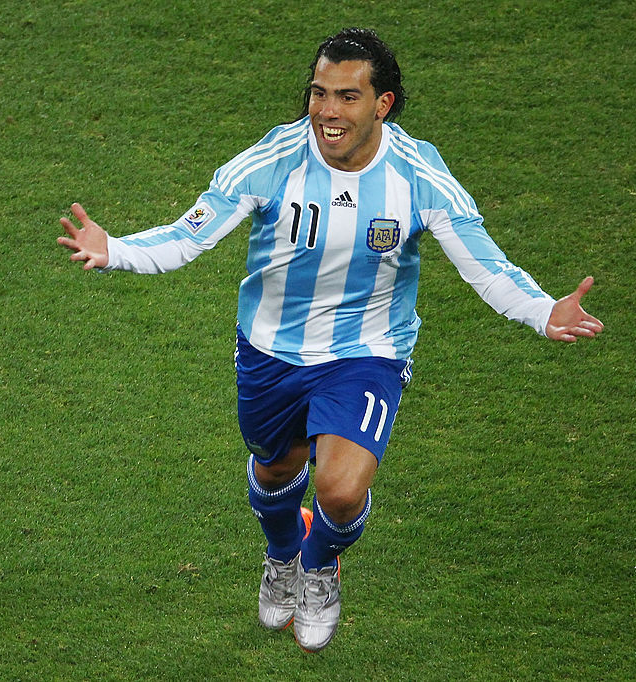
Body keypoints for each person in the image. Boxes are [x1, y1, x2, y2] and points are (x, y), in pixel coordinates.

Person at [58, 27, 603, 652]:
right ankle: (283, 554)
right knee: (275, 469)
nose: (327, 111)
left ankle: (318, 567)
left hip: (367, 353)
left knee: (341, 491)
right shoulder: (274, 160)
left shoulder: (418, 174)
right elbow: (190, 233)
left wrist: (541, 310)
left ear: (382, 104)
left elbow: (484, 262)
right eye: (319, 93)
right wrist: (117, 249)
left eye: (347, 96)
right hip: (270, 350)